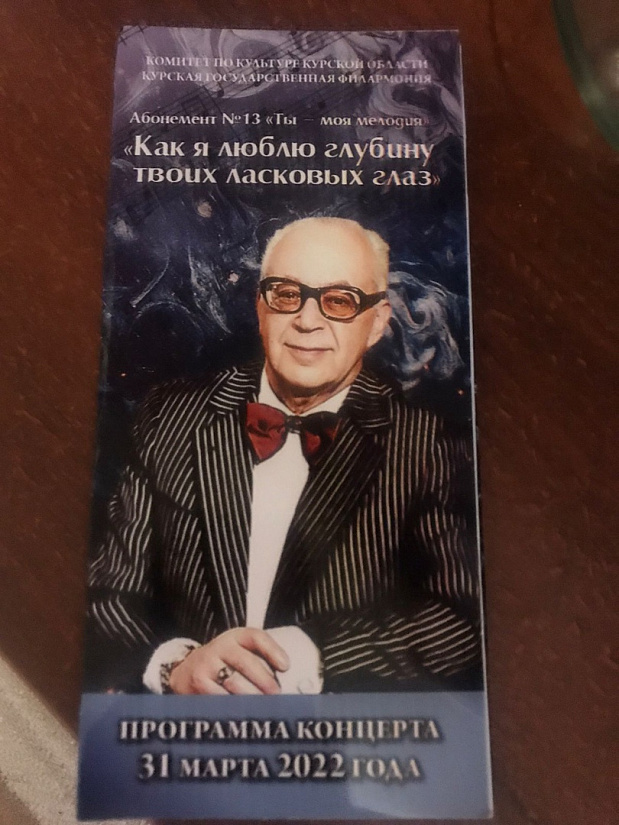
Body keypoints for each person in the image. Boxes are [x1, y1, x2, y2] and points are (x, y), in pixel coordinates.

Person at [87, 216, 481, 695]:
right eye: (287, 294)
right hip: (181, 728)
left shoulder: (429, 443)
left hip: (338, 732)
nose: (307, 320)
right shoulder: (170, 415)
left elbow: (461, 619)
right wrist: (176, 666)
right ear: (261, 308)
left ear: (377, 323)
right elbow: (108, 595)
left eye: (340, 301)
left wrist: (304, 659)